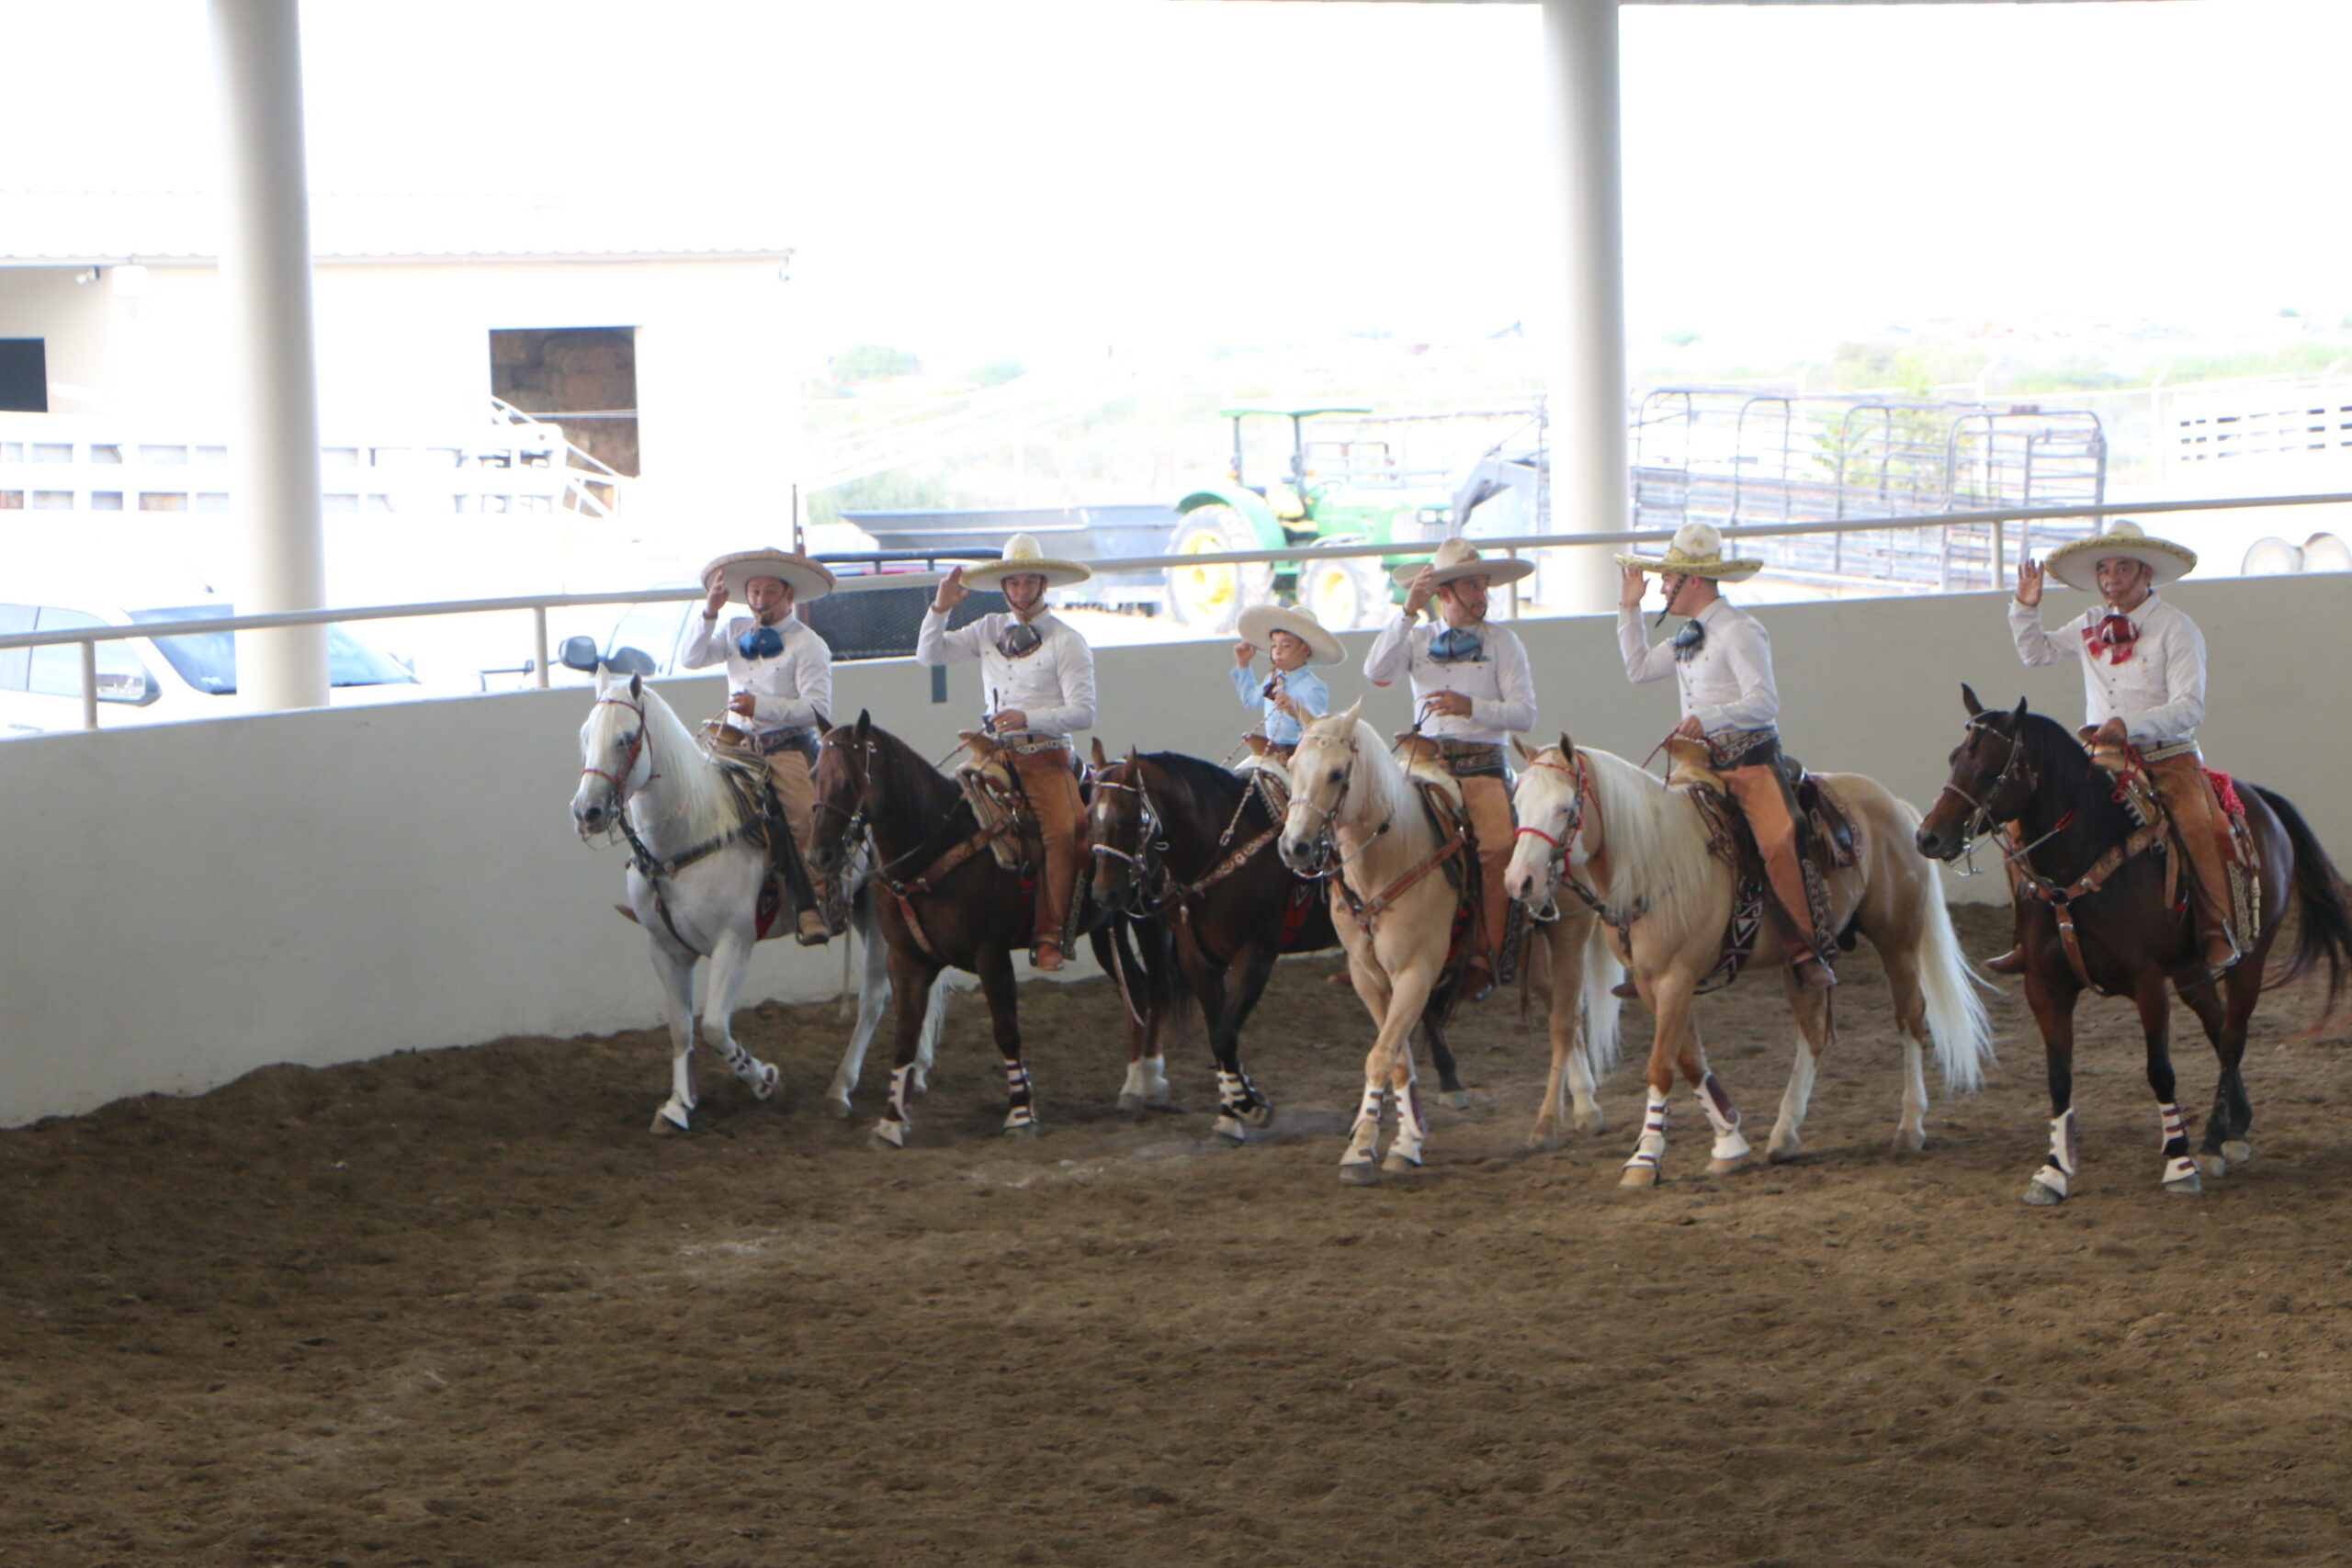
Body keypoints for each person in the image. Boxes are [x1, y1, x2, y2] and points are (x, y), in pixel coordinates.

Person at [1999, 518, 2239, 975]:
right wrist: (2025, 609)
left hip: (2169, 757)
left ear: (2145, 573)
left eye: (2123, 568)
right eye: (2104, 570)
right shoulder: (2091, 622)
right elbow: (2038, 653)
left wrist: (2127, 725)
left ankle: (2216, 929)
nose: (2111, 579)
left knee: (2197, 824)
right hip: (2102, 758)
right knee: (2020, 822)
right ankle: (2027, 935)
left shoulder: (2177, 629)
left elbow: (2190, 706)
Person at [1618, 522, 1836, 990]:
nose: (1663, 587)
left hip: (1749, 763)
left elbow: (1765, 701)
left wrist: (1710, 718)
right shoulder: (1686, 636)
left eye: (1669, 579)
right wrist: (1629, 608)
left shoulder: (1740, 630)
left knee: (1778, 840)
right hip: (1697, 764)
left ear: (1692, 581)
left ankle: (1804, 946)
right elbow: (1636, 669)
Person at [1363, 536, 1537, 1003]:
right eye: (1473, 587)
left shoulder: (1504, 642)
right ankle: (1371, 952)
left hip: (1482, 763)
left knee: (1498, 849)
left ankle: (1485, 957)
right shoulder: (1417, 638)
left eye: (1483, 586)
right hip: (1423, 759)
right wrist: (1405, 613)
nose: (1483, 595)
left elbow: (1525, 714)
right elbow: (1376, 672)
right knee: (1374, 830)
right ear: (1444, 594)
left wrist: (1471, 706)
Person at [918, 533, 1098, 972]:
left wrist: (1027, 719)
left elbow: (1083, 712)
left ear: (1043, 584)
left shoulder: (1067, 640)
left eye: (1028, 582)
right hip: (993, 752)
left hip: (1046, 756)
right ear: (1004, 587)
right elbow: (929, 654)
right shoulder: (987, 629)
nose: (1020, 591)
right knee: (948, 811)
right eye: (1013, 583)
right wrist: (940, 607)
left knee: (1063, 832)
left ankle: (1050, 933)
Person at [683, 547, 839, 945]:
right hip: (733, 742)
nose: (760, 600)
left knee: (804, 816)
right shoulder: (734, 629)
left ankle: (818, 902)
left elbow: (818, 711)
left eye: (770, 592)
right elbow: (692, 657)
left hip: (785, 747)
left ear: (788, 595)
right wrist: (710, 612)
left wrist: (761, 706)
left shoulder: (809, 644)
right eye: (754, 591)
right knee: (688, 801)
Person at [1232, 601, 1343, 761]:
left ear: (1304, 650)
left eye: (1286, 646)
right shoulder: (1272, 680)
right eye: (1274, 645)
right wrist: (1243, 664)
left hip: (1300, 754)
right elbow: (1250, 700)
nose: (1277, 651)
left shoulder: (1312, 687)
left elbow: (1319, 730)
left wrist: (1294, 711)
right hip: (1271, 751)